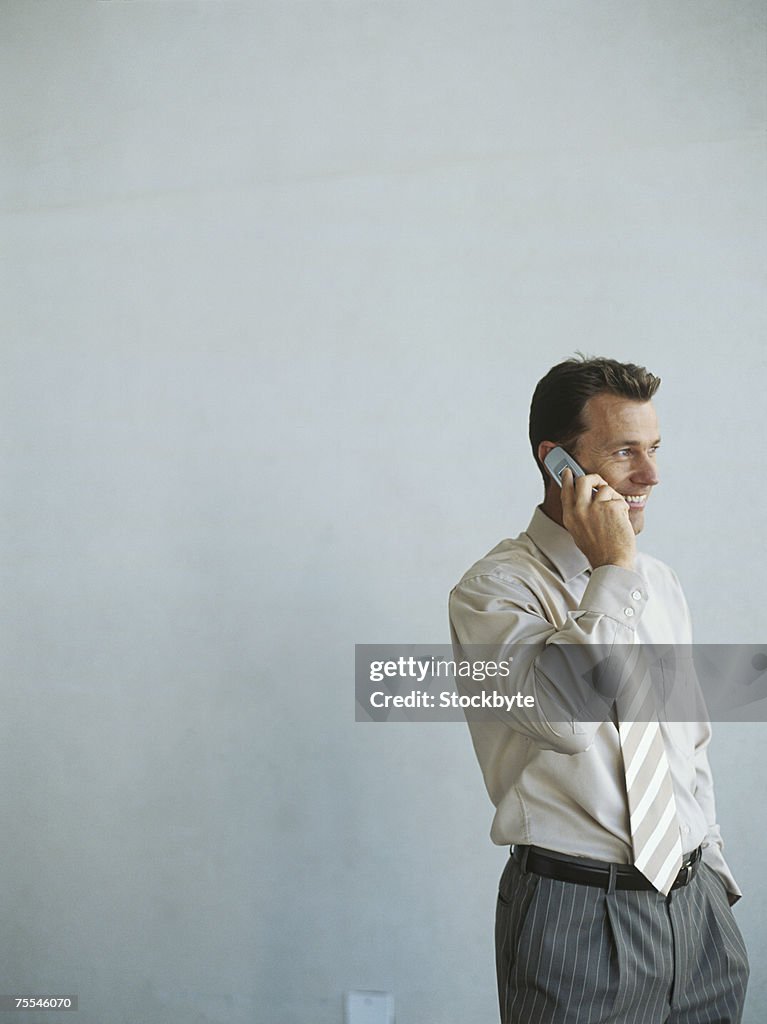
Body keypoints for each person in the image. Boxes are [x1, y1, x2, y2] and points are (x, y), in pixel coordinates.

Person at [448, 356, 749, 1024]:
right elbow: (564, 718)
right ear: (558, 464)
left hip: (695, 911)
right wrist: (610, 570)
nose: (650, 476)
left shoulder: (659, 583)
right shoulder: (494, 591)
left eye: (653, 450)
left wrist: (715, 880)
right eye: (623, 452)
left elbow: (687, 744)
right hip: (578, 917)